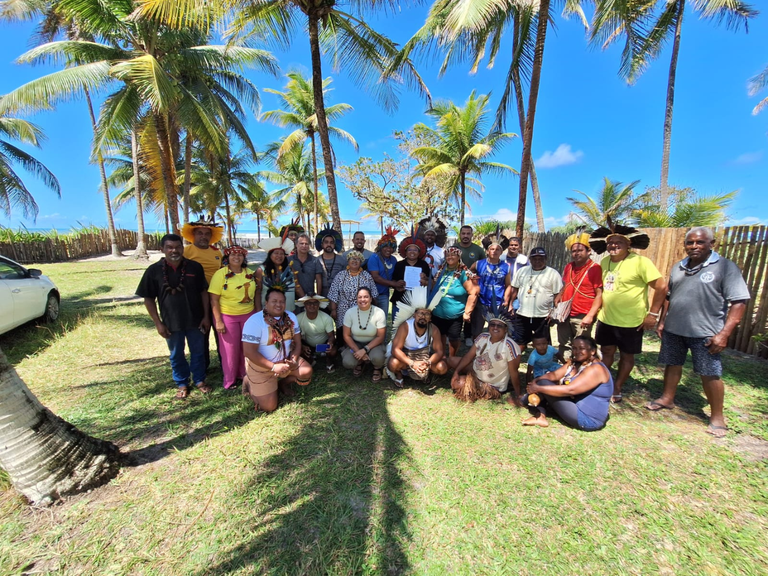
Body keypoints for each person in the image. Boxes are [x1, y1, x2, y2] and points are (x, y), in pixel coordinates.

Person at [646, 227, 750, 437]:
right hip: (675, 328)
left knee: (709, 372)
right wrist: (662, 322)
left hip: (706, 332)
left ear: (712, 244)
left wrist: (724, 333)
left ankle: (717, 416)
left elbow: (739, 302)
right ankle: (667, 398)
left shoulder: (724, 267)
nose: (694, 246)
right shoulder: (679, 267)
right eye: (690, 242)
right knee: (672, 363)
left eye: (700, 242)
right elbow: (669, 297)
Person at [589, 224, 666, 403]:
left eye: (618, 242)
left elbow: (661, 287)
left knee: (626, 355)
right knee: (606, 351)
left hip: (631, 321)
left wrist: (652, 315)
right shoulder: (605, 262)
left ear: (628, 244)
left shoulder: (641, 262)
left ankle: (617, 387)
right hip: (606, 317)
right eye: (610, 243)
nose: (613, 245)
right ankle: (602, 382)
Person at [136, 234, 211, 399]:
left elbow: (203, 292)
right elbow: (148, 299)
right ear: (162, 249)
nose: (174, 250)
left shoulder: (194, 267)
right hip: (171, 322)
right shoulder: (154, 271)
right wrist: (158, 323)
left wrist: (206, 316)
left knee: (198, 352)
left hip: (196, 319)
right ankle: (182, 383)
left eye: (177, 247)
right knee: (176, 354)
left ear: (183, 248)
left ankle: (199, 380)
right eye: (169, 247)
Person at [241, 288, 313, 412]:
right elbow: (249, 352)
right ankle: (248, 381)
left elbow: (298, 343)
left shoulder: (291, 317)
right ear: (266, 302)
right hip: (261, 367)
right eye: (274, 301)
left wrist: (294, 359)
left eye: (282, 301)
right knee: (269, 407)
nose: (279, 304)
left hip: (285, 362)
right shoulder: (254, 321)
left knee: (306, 371)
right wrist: (273, 367)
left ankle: (281, 384)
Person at [523, 336, 612, 431]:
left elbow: (570, 390)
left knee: (541, 385)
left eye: (582, 348)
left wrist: (538, 388)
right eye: (574, 348)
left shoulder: (596, 369)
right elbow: (554, 375)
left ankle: (534, 410)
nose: (577, 351)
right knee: (540, 383)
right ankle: (539, 415)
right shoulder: (576, 363)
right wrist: (535, 381)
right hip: (573, 405)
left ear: (593, 351)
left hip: (588, 419)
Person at [208, 245, 258, 390]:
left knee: (246, 348)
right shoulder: (220, 274)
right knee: (229, 350)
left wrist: (256, 315)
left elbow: (256, 295)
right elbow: (214, 299)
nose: (237, 258)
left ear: (244, 258)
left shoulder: (250, 273)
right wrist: (218, 320)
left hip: (248, 315)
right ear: (227, 258)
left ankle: (245, 375)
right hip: (227, 315)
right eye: (233, 255)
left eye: (240, 255)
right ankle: (229, 381)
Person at [450, 307, 522, 403]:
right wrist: (456, 372)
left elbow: (514, 372)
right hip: (476, 371)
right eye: (492, 324)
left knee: (458, 384)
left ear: (506, 329)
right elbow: (468, 356)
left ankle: (475, 385)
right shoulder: (482, 337)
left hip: (491, 385)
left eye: (499, 326)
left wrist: (518, 395)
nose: (495, 327)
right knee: (450, 361)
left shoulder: (510, 346)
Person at [180, 216, 224, 370]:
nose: (204, 237)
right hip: (197, 298)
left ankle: (224, 364)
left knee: (221, 334)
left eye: (207, 234)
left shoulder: (217, 252)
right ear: (193, 235)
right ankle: (202, 367)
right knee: (201, 335)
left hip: (218, 299)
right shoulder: (186, 251)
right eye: (200, 233)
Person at [386, 286, 448, 387]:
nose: (423, 316)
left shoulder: (434, 329)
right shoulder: (405, 326)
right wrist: (412, 363)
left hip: (425, 357)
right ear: (414, 315)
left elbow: (439, 351)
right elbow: (395, 350)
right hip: (407, 357)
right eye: (420, 313)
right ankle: (399, 375)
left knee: (442, 367)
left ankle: (425, 373)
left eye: (427, 314)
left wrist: (428, 362)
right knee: (393, 363)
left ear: (430, 318)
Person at [554, 232, 603, 358]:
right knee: (564, 343)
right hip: (565, 313)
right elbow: (566, 284)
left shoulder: (595, 268)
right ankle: (567, 368)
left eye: (580, 250)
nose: (576, 253)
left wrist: (590, 316)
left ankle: (581, 370)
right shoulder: (569, 266)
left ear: (589, 251)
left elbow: (599, 294)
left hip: (583, 315)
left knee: (582, 346)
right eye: (574, 250)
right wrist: (559, 296)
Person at [508, 247, 563, 347]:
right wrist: (510, 304)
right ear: (530, 260)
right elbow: (514, 289)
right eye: (534, 259)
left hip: (543, 315)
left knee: (543, 344)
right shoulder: (522, 271)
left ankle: (544, 362)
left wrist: (554, 312)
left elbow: (558, 295)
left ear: (545, 259)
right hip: (522, 313)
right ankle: (515, 361)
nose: (537, 261)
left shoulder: (553, 274)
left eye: (540, 259)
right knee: (519, 343)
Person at [430, 247, 478, 359]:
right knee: (439, 334)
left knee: (454, 337)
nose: (450, 257)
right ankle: (441, 355)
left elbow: (473, 293)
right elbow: (433, 287)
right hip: (438, 311)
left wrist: (467, 312)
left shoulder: (463, 273)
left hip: (455, 313)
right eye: (447, 255)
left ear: (459, 257)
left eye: (453, 255)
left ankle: (452, 357)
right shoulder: (441, 270)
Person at [327, 251, 379, 336]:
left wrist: (373, 310)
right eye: (352, 259)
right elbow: (334, 293)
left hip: (361, 309)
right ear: (348, 261)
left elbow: (373, 294)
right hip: (342, 310)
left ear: (361, 262)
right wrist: (333, 310)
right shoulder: (340, 275)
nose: (355, 261)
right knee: (343, 333)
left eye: (358, 259)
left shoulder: (366, 276)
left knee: (358, 331)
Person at [342, 287, 388, 381]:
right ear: (356, 299)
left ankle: (377, 368)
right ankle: (359, 362)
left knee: (378, 358)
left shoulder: (379, 313)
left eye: (366, 297)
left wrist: (364, 350)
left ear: (371, 298)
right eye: (360, 297)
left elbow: (380, 337)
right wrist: (358, 351)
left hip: (374, 343)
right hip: (356, 343)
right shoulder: (350, 312)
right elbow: (346, 335)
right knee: (348, 362)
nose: (362, 300)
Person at [470, 236, 512, 339]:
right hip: (481, 301)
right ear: (487, 251)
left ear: (501, 252)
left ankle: (493, 349)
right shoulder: (479, 264)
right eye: (492, 249)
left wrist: (506, 300)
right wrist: (474, 287)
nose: (494, 251)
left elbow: (508, 285)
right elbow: (468, 275)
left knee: (495, 328)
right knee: (477, 329)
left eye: (498, 249)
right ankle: (477, 349)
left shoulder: (506, 267)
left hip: (497, 302)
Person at [257, 236, 302, 312]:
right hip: (268, 313)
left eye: (282, 254)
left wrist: (307, 300)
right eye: (276, 253)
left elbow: (298, 288)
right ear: (270, 255)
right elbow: (258, 292)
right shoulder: (261, 270)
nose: (279, 256)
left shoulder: (290, 270)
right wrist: (258, 311)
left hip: (289, 311)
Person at [457, 225, 485, 346]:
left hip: (472, 285)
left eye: (468, 234)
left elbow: (483, 266)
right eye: (463, 233)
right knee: (457, 308)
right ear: (460, 234)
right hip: (456, 284)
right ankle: (454, 334)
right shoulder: (454, 248)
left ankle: (468, 335)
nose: (466, 236)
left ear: (471, 235)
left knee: (470, 310)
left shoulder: (478, 250)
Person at [296, 294, 338, 373]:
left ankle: (329, 361)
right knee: (297, 348)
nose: (312, 305)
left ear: (318, 305)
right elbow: (294, 336)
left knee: (332, 350)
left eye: (315, 303)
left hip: (322, 345)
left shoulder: (326, 318)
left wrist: (330, 343)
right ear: (304, 305)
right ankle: (310, 360)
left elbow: (331, 336)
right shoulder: (298, 318)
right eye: (309, 303)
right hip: (308, 345)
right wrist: (302, 346)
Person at [391, 234, 430, 318]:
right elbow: (393, 281)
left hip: (418, 302)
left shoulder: (424, 265)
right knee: (398, 327)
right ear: (405, 252)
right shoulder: (399, 264)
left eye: (415, 250)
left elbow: (431, 282)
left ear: (419, 252)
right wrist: (397, 285)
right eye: (409, 250)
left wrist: (425, 279)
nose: (412, 252)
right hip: (400, 301)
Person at [367, 226, 400, 316]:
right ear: (381, 246)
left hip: (385, 295)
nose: (388, 249)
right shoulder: (374, 257)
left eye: (391, 247)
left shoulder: (393, 259)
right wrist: (394, 284)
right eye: (385, 247)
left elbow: (393, 277)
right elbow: (375, 277)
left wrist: (399, 283)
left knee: (382, 320)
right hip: (372, 295)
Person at [314, 224, 346, 298]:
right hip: (322, 296)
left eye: (331, 243)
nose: (329, 244)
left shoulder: (342, 260)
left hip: (338, 296)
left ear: (334, 245)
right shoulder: (316, 261)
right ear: (322, 244)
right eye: (326, 242)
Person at [288, 233, 319, 302]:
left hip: (310, 297)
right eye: (301, 243)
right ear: (296, 245)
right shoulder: (289, 260)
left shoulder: (315, 261)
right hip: (292, 298)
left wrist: (318, 298)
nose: (304, 246)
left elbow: (319, 280)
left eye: (306, 244)